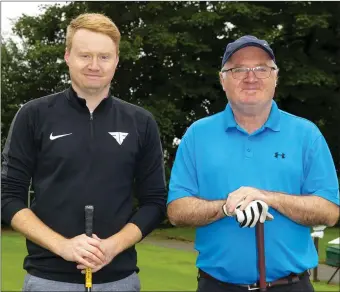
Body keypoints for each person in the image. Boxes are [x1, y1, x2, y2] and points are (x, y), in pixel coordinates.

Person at [1, 13, 167, 292]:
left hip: (119, 280)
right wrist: (64, 246)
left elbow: (155, 202)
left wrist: (112, 247)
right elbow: (7, 196)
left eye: (104, 57)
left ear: (116, 60)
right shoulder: (34, 115)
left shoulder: (140, 122)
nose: (94, 65)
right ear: (67, 56)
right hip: (47, 279)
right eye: (84, 55)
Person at [167, 35, 339, 292]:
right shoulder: (197, 135)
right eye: (238, 69)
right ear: (223, 80)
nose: (251, 77)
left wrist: (267, 197)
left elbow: (329, 211)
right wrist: (227, 207)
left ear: (275, 77)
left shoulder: (306, 134)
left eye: (261, 68)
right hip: (216, 286)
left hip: (290, 285)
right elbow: (176, 211)